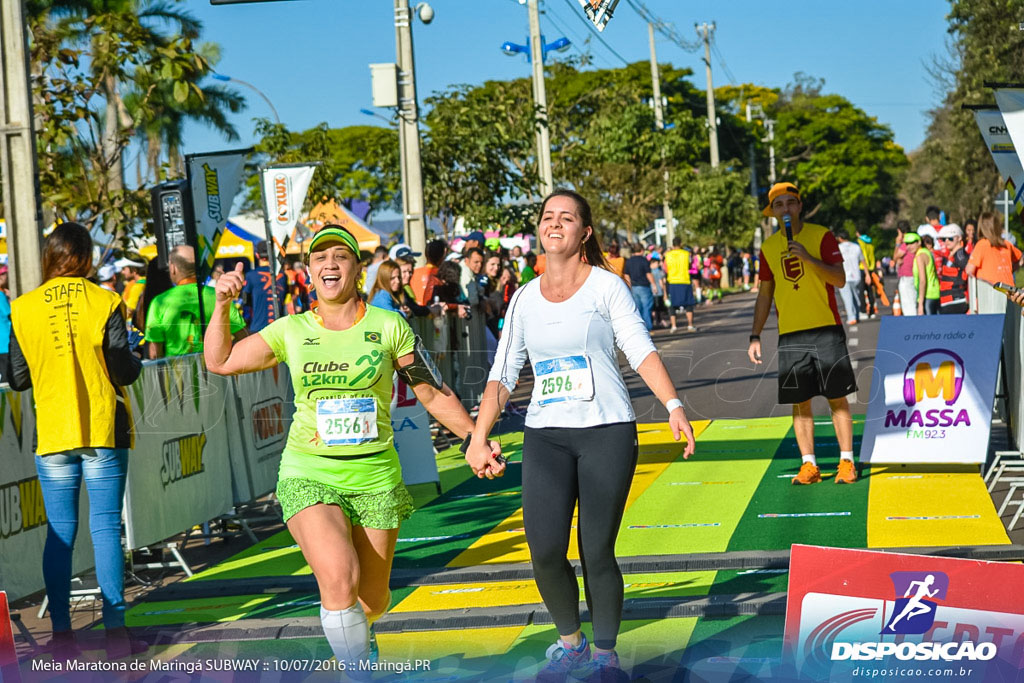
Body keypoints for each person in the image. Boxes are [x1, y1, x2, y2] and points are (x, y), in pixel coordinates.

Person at [203, 225, 504, 670]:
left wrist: (473, 439)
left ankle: (361, 643)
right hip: (310, 472)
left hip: (375, 477)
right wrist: (223, 305)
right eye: (319, 257)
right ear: (308, 272)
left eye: (339, 256)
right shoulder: (292, 329)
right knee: (339, 578)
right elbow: (220, 360)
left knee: (371, 600)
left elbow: (431, 391)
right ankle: (359, 672)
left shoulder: (387, 326)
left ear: (357, 268)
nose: (329, 263)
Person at [468, 190, 696, 682]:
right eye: (548, 217)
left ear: (584, 232)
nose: (555, 224)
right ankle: (570, 641)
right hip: (546, 436)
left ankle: (607, 656)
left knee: (596, 548)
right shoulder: (524, 297)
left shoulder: (606, 288)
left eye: (566, 218)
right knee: (545, 549)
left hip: (606, 432)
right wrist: (479, 435)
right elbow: (503, 373)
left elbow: (638, 348)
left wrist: (674, 405)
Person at [4, 222, 145, 660]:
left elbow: (17, 379)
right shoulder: (105, 300)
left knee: (59, 533)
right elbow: (122, 369)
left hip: (52, 434)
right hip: (101, 427)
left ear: (50, 256)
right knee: (105, 528)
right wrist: (137, 363)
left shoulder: (22, 308)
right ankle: (116, 633)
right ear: (85, 258)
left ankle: (62, 635)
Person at [748, 182, 858, 486]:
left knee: (837, 397)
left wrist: (808, 258)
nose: (786, 209)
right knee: (800, 403)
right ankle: (809, 465)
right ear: (773, 212)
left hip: (826, 328)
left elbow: (838, 279)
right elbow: (765, 293)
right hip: (791, 334)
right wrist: (755, 335)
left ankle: (846, 461)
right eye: (779, 205)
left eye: (791, 203)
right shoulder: (769, 247)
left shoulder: (820, 235)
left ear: (799, 206)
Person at [145, 245, 246, 359]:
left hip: (177, 373)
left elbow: (154, 352)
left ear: (173, 268)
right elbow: (242, 336)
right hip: (217, 373)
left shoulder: (160, 302)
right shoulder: (219, 296)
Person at [966, 211, 1022, 287]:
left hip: (991, 290)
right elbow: (1021, 259)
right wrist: (1010, 271)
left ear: (981, 227)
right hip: (1009, 288)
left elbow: (969, 270)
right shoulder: (1006, 244)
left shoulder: (982, 244)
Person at [242, 241, 284, 333]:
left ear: (257, 255)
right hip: (280, 329)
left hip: (258, 329)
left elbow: (245, 300)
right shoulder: (283, 275)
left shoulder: (251, 275)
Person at [664, 238, 697, 333]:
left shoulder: (668, 255)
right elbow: (690, 266)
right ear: (681, 243)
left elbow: (665, 268)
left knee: (672, 305)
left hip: (672, 281)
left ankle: (674, 326)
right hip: (684, 280)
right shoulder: (686, 254)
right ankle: (690, 325)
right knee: (688, 304)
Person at [622, 243, 655, 331]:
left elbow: (626, 275)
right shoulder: (644, 260)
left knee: (637, 308)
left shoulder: (629, 261)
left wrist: (629, 286)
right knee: (646, 307)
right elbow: (648, 274)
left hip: (634, 287)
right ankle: (647, 327)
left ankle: (639, 327)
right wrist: (654, 285)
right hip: (644, 286)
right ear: (642, 250)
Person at [938, 224, 970, 314]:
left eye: (950, 238)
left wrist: (969, 297)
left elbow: (970, 275)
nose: (947, 241)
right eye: (944, 239)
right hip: (948, 301)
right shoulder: (952, 255)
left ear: (959, 238)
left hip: (956, 301)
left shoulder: (960, 256)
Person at [836, 230, 865, 325]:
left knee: (847, 298)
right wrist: (867, 274)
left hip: (844, 276)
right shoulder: (856, 247)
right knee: (855, 296)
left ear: (840, 238)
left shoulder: (838, 248)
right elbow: (863, 261)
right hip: (856, 275)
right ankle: (857, 315)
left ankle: (852, 317)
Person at [412, 239, 447, 306]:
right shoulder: (444, 275)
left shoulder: (413, 273)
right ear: (443, 254)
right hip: (435, 312)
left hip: (417, 313)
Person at [895, 228, 920, 316]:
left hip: (907, 277)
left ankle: (912, 323)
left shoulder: (904, 245)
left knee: (908, 303)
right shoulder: (919, 249)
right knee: (912, 301)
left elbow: (895, 256)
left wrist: (897, 243)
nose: (909, 246)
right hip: (913, 276)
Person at [914, 234, 941, 315]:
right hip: (935, 292)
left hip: (927, 294)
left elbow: (922, 280)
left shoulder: (921, 255)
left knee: (928, 325)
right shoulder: (929, 253)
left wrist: (920, 304)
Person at [855, 229, 877, 318]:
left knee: (861, 291)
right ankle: (872, 311)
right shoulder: (870, 242)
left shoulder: (859, 242)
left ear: (857, 233)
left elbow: (860, 256)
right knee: (870, 291)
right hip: (871, 268)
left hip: (862, 268)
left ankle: (863, 311)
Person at [649, 252, 668, 329]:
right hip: (659, 292)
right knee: (660, 308)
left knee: (653, 309)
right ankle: (661, 321)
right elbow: (662, 283)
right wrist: (665, 292)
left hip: (651, 292)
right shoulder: (659, 272)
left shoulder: (649, 272)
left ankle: (655, 321)